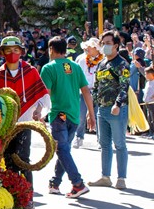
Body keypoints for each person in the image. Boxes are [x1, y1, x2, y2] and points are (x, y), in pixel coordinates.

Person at [0, 36, 50, 209]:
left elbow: (42, 96)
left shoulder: (30, 72)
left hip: (24, 122)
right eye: (8, 50)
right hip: (6, 125)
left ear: (22, 52)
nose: (12, 54)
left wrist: (39, 111)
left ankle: (28, 197)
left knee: (23, 158)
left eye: (16, 50)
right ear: (2, 53)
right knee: (8, 160)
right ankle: (11, 197)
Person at [41, 36, 95, 198]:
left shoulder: (48, 68)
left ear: (51, 49)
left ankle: (77, 183)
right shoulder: (75, 67)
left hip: (58, 115)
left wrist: (40, 114)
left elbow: (46, 95)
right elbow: (86, 91)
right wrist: (91, 115)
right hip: (74, 115)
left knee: (62, 149)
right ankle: (55, 183)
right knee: (64, 149)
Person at [89, 31, 131, 190]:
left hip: (116, 111)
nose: (104, 46)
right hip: (101, 109)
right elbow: (96, 87)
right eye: (103, 43)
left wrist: (118, 105)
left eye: (107, 43)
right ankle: (105, 176)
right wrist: (91, 110)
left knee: (120, 144)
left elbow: (125, 86)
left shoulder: (122, 64)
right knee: (104, 144)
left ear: (115, 45)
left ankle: (121, 178)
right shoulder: (101, 64)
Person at [73, 38, 102, 148]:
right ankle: (78, 137)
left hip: (98, 91)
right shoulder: (80, 59)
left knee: (99, 116)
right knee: (80, 115)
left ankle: (101, 140)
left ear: (95, 48)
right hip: (83, 91)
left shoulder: (102, 60)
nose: (86, 48)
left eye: (89, 46)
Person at [142, 65, 154, 139]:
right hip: (147, 103)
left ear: (151, 74)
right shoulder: (147, 82)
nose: (145, 75)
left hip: (152, 103)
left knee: (153, 119)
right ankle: (150, 132)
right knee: (149, 118)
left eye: (146, 74)